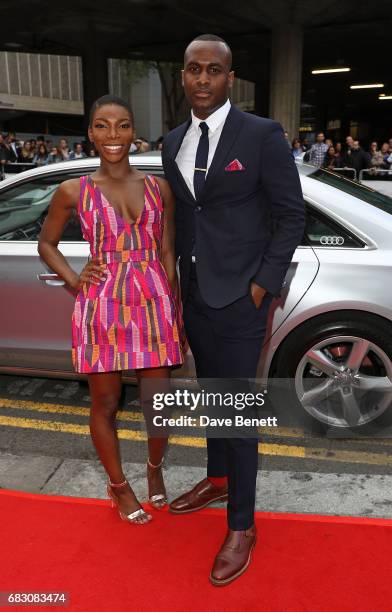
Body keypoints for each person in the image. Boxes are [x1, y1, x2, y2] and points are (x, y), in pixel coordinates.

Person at [162, 34, 305, 586]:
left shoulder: (262, 134)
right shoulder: (173, 138)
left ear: (229, 77)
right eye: (193, 69)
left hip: (242, 298)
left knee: (238, 410)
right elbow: (187, 217)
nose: (202, 79)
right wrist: (177, 285)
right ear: (183, 76)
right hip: (196, 292)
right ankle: (217, 478)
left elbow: (291, 216)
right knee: (210, 394)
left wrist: (261, 286)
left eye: (213, 71)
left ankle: (242, 524)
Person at [38, 94, 184, 526]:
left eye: (122, 125)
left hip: (154, 301)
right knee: (105, 403)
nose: (113, 135)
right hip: (102, 305)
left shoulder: (160, 188)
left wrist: (174, 310)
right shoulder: (73, 190)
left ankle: (154, 469)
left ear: (133, 130)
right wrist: (73, 278)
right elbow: (47, 244)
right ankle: (119, 486)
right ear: (90, 134)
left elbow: (168, 250)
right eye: (102, 125)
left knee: (158, 403)